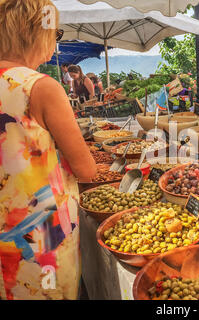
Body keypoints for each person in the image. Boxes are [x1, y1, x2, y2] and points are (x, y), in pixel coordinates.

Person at [0, 0, 97, 300]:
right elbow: (87, 169)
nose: (56, 43)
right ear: (37, 32)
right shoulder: (41, 87)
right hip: (40, 238)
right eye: (55, 33)